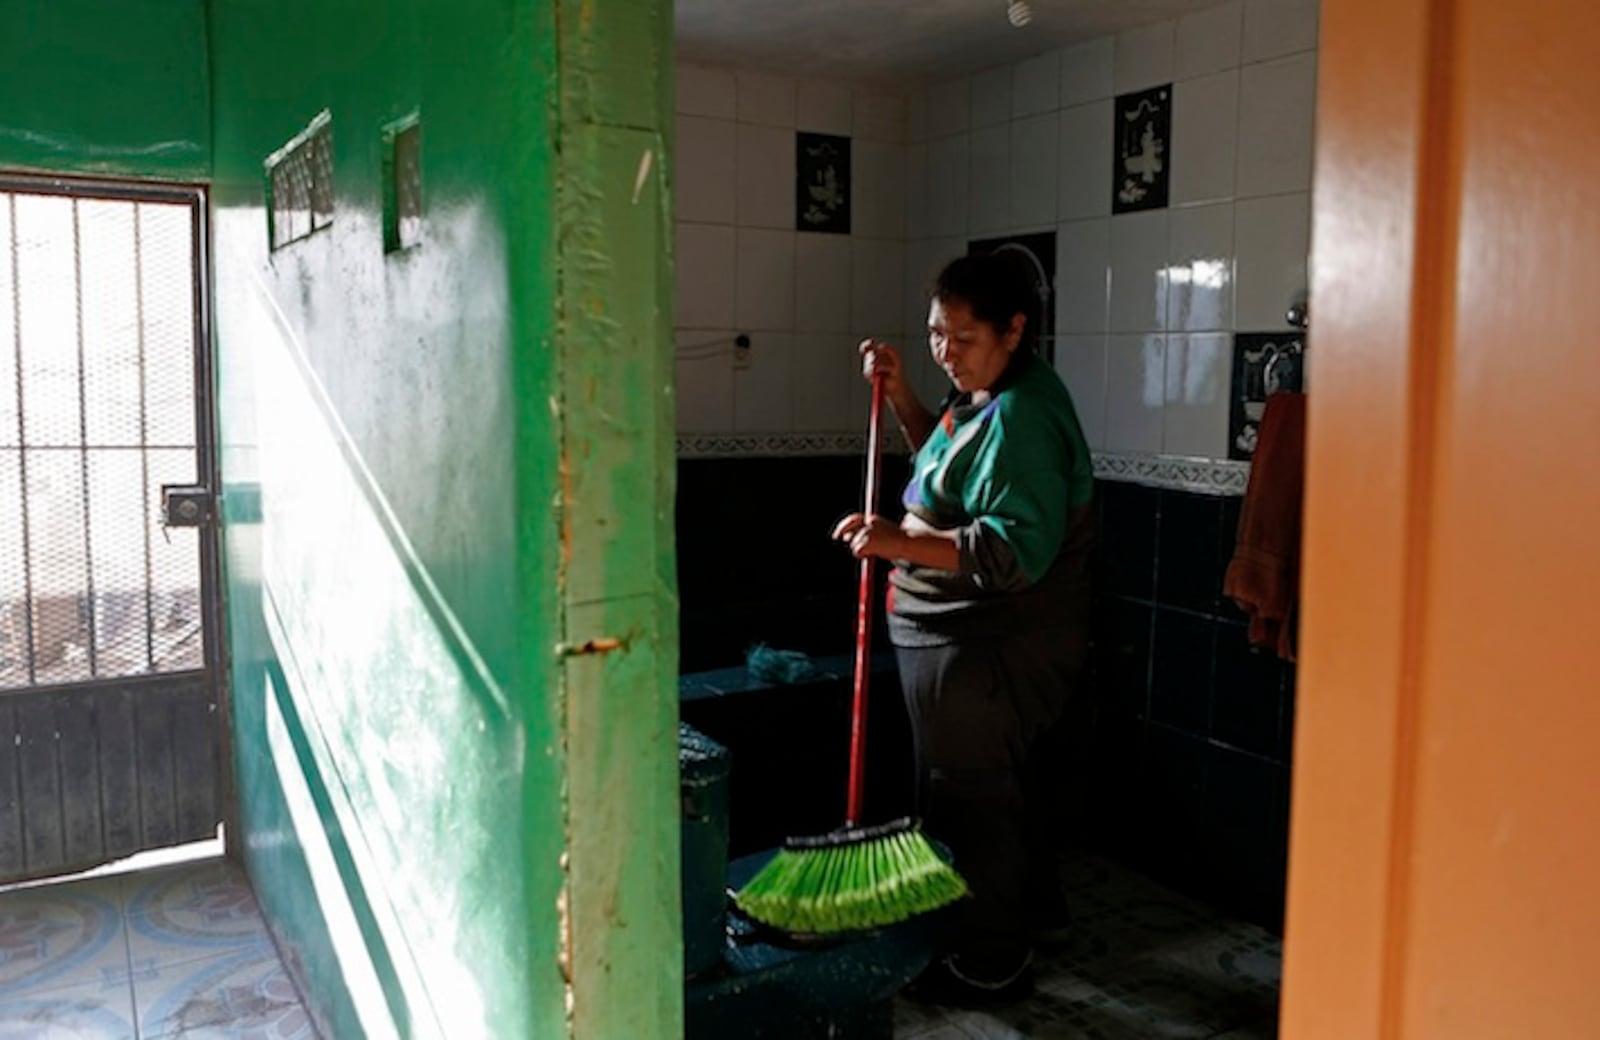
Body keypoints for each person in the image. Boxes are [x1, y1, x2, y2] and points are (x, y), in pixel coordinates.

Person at [832, 251, 1096, 1004]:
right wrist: (904, 393)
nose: (947, 352)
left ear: (1014, 331)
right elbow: (947, 472)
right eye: (935, 336)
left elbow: (1008, 551)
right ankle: (1032, 919)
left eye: (963, 337)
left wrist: (894, 543)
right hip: (953, 641)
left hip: (987, 648)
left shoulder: (1026, 415)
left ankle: (989, 964)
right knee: (992, 792)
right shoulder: (985, 394)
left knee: (970, 805)